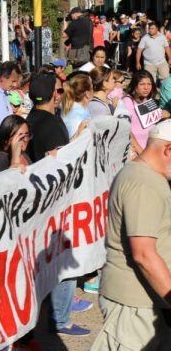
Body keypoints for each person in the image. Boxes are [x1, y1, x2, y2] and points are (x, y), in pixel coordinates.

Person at [92, 120, 171, 350]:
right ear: (168, 150)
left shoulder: (150, 178)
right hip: (134, 305)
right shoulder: (143, 183)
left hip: (147, 301)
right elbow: (144, 254)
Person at [25, 72, 92, 336]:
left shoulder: (31, 119)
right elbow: (62, 161)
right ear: (55, 94)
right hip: (56, 203)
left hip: (41, 201)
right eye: (58, 89)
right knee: (62, 256)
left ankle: (58, 310)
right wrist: (78, 138)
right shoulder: (51, 124)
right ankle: (61, 317)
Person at [122, 70, 162, 155]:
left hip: (152, 148)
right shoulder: (128, 101)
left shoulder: (147, 100)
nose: (146, 88)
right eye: (142, 84)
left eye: (149, 84)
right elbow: (126, 130)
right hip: (138, 151)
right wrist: (141, 153)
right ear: (135, 85)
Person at [61, 73, 93, 139]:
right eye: (92, 88)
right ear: (87, 94)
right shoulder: (80, 116)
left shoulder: (68, 107)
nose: (94, 91)